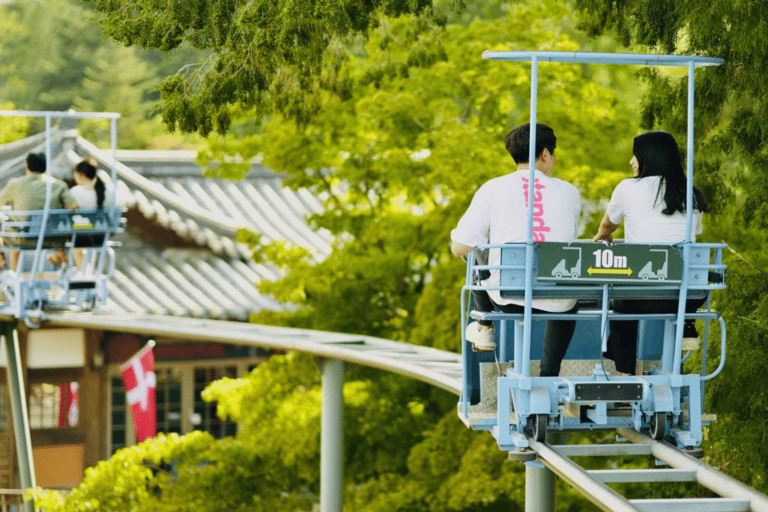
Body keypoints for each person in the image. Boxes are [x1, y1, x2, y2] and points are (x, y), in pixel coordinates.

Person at [451, 123, 582, 377]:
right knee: (566, 296)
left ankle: (484, 325)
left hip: (508, 297)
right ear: (545, 154)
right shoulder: (570, 192)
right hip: (559, 297)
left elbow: (459, 247)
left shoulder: (492, 188)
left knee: (478, 250)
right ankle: (549, 372)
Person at [593, 130, 711, 375]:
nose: (631, 162)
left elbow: (608, 223)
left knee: (618, 305)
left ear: (649, 157)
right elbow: (692, 237)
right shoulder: (690, 193)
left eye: (635, 155)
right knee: (676, 287)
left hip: (642, 294)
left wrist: (603, 236)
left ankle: (626, 375)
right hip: (688, 295)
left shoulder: (627, 188)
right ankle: (687, 323)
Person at [0, 153, 79, 270]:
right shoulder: (59, 185)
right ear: (45, 167)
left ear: (27, 167)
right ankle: (59, 260)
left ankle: (10, 271)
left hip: (22, 239)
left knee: (8, 233)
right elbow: (73, 205)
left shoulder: (15, 184)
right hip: (52, 239)